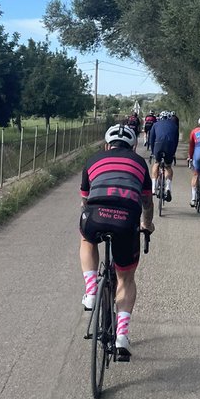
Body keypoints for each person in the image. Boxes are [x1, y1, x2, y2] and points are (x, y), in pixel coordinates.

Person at [79, 123, 154, 360]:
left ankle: (91, 290)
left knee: (86, 238)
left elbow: (85, 200)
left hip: (96, 215)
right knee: (126, 277)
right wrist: (147, 224)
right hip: (126, 220)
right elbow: (147, 203)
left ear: (106, 145)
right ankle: (122, 335)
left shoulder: (92, 160)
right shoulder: (140, 163)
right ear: (133, 146)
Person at [148, 110, 180, 200]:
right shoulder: (174, 125)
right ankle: (168, 188)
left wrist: (152, 152)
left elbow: (151, 139)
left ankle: (153, 188)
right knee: (168, 167)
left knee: (157, 163)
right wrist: (173, 153)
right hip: (170, 145)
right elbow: (176, 141)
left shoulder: (155, 124)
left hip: (158, 144)